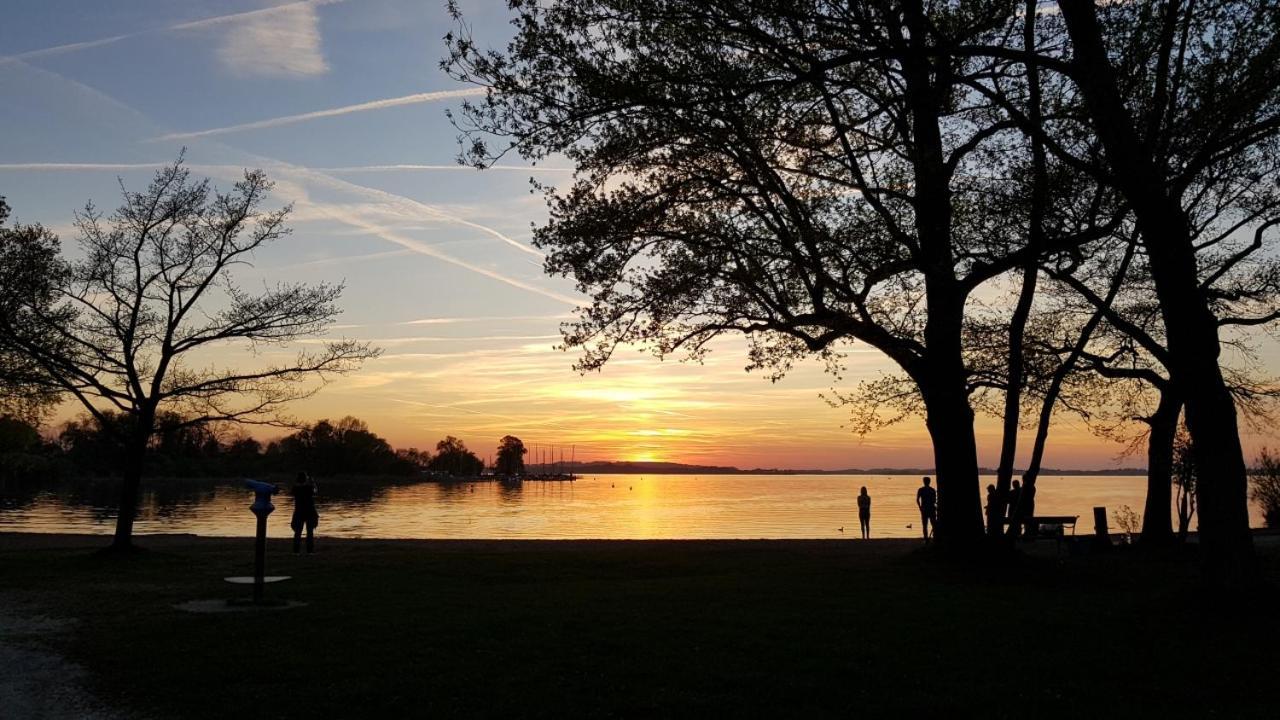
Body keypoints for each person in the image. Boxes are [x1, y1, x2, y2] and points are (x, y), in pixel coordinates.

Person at [291, 471, 319, 554]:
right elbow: (315, 490)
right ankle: (309, 551)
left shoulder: (295, 488)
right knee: (310, 532)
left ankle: (296, 551)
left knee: (297, 532)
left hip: (298, 512)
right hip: (309, 512)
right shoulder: (309, 487)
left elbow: (292, 491)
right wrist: (313, 482)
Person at [916, 476, 937, 542]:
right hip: (930, 509)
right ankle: (933, 537)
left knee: (925, 525)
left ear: (924, 482)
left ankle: (926, 538)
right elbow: (934, 500)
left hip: (925, 509)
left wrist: (920, 507)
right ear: (929, 482)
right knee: (933, 524)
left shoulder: (921, 490)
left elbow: (917, 499)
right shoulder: (932, 490)